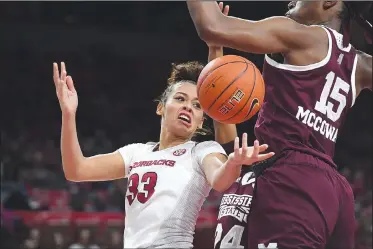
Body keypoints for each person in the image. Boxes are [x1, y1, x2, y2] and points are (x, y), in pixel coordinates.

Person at [187, 1, 372, 249]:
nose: (290, 1)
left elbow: (212, 25)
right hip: (333, 191)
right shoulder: (360, 64)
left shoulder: (300, 34)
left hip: (290, 179)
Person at [52, 59, 273, 248]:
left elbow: (220, 180)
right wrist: (68, 114)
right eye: (180, 99)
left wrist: (233, 163)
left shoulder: (202, 150)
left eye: (197, 106)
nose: (188, 107)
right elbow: (76, 170)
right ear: (161, 107)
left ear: (200, 122)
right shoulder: (135, 153)